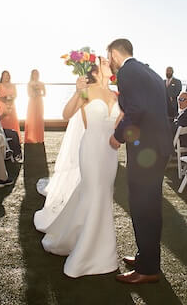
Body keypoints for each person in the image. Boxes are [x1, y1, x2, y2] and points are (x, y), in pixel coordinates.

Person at [39, 59, 121, 278]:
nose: (108, 62)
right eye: (104, 61)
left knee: (103, 195)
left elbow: (119, 123)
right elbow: (66, 115)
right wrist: (77, 92)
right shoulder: (87, 91)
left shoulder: (115, 95)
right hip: (92, 150)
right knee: (94, 193)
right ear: (96, 70)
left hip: (111, 152)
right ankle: (85, 255)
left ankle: (102, 250)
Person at [108, 39, 173, 284]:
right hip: (160, 146)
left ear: (114, 53)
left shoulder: (126, 72)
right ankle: (146, 257)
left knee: (142, 207)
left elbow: (136, 109)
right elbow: (159, 106)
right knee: (151, 206)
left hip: (146, 149)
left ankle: (147, 269)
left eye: (109, 56)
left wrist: (118, 136)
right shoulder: (150, 71)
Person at [0, 70, 21, 141]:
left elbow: (16, 95)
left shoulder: (13, 85)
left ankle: (15, 138)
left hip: (11, 105)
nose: (6, 77)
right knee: (3, 120)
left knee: (12, 121)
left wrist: (11, 99)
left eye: (8, 75)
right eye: (5, 75)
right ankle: (3, 137)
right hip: (2, 105)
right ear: (2, 76)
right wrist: (4, 99)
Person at [25, 69, 46, 144]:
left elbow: (44, 94)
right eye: (34, 74)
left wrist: (39, 92)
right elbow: (29, 94)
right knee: (32, 118)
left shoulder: (42, 83)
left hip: (39, 102)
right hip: (32, 102)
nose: (35, 75)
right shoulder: (29, 83)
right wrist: (34, 92)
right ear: (32, 75)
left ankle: (39, 137)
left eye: (37, 74)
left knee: (39, 118)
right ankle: (31, 137)